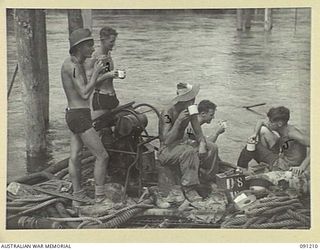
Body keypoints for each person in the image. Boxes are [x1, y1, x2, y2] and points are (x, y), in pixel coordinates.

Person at [61, 28, 110, 206]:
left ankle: (78, 196)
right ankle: (100, 197)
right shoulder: (72, 66)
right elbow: (83, 93)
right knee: (102, 156)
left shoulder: (75, 63)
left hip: (74, 114)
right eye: (89, 45)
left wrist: (103, 74)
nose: (92, 48)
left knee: (75, 156)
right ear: (79, 47)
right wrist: (96, 72)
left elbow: (84, 88)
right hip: (79, 116)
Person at [158, 83, 217, 202]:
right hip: (166, 149)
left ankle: (206, 179)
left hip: (181, 145)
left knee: (212, 147)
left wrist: (201, 143)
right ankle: (189, 188)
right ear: (183, 101)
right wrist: (179, 121)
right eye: (190, 99)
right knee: (189, 151)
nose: (193, 101)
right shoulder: (168, 112)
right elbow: (166, 140)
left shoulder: (191, 110)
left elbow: (199, 133)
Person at [237, 106, 310, 176]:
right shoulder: (283, 127)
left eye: (270, 121)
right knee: (263, 130)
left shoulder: (292, 133)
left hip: (285, 166)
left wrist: (302, 167)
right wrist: (254, 134)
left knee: (254, 145)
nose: (268, 123)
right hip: (282, 159)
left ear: (279, 124)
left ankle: (241, 168)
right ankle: (264, 165)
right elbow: (261, 122)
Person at [85, 26, 122, 121]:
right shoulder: (94, 57)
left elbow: (107, 76)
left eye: (114, 41)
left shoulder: (108, 55)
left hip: (112, 97)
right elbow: (89, 83)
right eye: (111, 42)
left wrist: (115, 74)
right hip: (101, 98)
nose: (113, 44)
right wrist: (108, 75)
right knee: (98, 129)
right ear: (102, 40)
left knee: (126, 123)